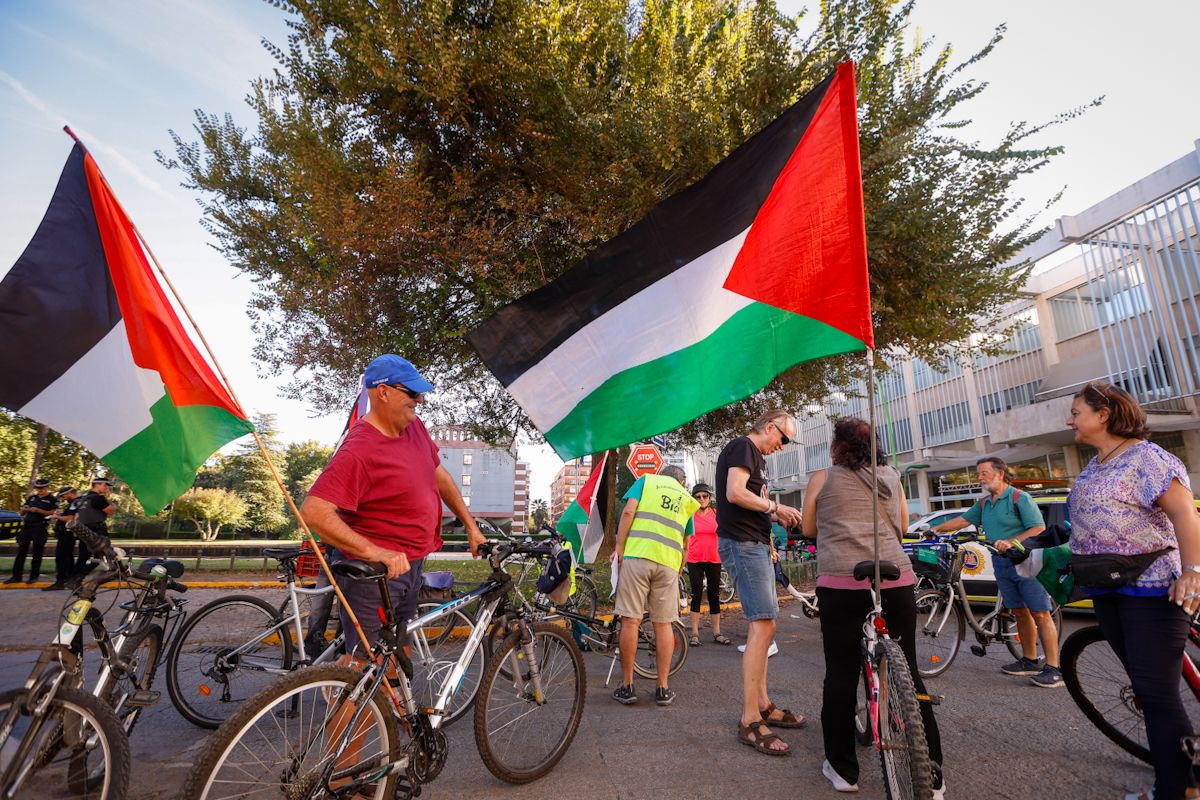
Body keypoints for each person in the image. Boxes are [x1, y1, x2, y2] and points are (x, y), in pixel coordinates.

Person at [300, 354, 484, 662]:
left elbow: (440, 476)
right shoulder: (360, 447)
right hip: (375, 578)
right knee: (364, 669)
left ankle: (396, 711)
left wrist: (471, 526)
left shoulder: (414, 428)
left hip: (410, 567)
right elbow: (314, 511)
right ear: (383, 392)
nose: (420, 400)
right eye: (411, 393)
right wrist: (377, 552)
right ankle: (350, 708)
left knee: (398, 656)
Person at [1066, 382, 1200, 800]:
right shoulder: (1096, 462)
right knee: (1148, 689)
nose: (1069, 419)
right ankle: (1186, 783)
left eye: (1075, 411)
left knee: (1156, 695)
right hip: (1107, 588)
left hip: (1153, 589)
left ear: (1103, 413)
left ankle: (1175, 791)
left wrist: (1193, 571)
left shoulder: (1146, 458)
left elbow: (1184, 515)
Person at [802, 417, 944, 796]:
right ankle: (934, 773)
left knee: (841, 674)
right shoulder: (892, 476)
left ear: (837, 446)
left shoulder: (822, 477)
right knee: (910, 671)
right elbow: (902, 526)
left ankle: (843, 770)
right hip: (895, 579)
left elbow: (809, 528)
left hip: (841, 583)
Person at [716, 409, 804, 756]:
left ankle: (764, 704)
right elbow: (735, 493)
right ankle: (750, 719)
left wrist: (768, 531)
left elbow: (745, 501)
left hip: (753, 543)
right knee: (763, 624)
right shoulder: (743, 447)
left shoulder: (754, 457)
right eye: (783, 439)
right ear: (770, 427)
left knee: (766, 627)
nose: (782, 447)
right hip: (741, 543)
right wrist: (775, 507)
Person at [932, 456, 1063, 687]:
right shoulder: (984, 503)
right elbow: (962, 521)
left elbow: (1038, 528)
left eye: (983, 473)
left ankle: (1054, 668)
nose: (979, 478)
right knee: (1019, 612)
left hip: (1027, 561)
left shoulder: (1018, 498)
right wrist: (934, 529)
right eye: (978, 474)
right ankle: (1029, 660)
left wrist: (1012, 541)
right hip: (1001, 562)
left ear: (1000, 473)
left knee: (1040, 613)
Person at [611, 464, 698, 706]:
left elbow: (628, 513)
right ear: (682, 481)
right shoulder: (688, 499)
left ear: (663, 476)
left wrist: (619, 547)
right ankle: (663, 688)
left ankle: (628, 686)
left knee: (630, 620)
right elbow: (687, 543)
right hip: (668, 564)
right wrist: (679, 566)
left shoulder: (646, 481)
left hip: (638, 556)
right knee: (663, 625)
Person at [685, 482, 729, 647]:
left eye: (704, 496)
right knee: (696, 595)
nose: (701, 499)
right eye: (698, 497)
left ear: (710, 498)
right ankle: (695, 634)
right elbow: (684, 538)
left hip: (714, 559)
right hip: (694, 559)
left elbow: (726, 534)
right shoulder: (689, 515)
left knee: (714, 596)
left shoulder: (717, 515)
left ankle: (717, 632)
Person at [7, 478, 58, 584]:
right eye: (38, 488)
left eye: (42, 488)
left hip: (40, 527)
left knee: (37, 552)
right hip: (27, 526)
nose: (39, 490)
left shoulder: (52, 499)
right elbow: (22, 513)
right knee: (21, 551)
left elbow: (53, 513)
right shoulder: (32, 498)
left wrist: (38, 510)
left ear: (47, 487)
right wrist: (24, 509)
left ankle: (33, 576)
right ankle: (16, 576)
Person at [44, 486, 88, 591]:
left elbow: (71, 518)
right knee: (67, 557)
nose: (63, 498)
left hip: (67, 534)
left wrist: (57, 517)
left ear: (69, 493)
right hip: (66, 534)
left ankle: (61, 581)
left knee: (61, 557)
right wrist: (61, 514)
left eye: (64, 495)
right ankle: (69, 579)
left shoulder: (76, 503)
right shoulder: (76, 503)